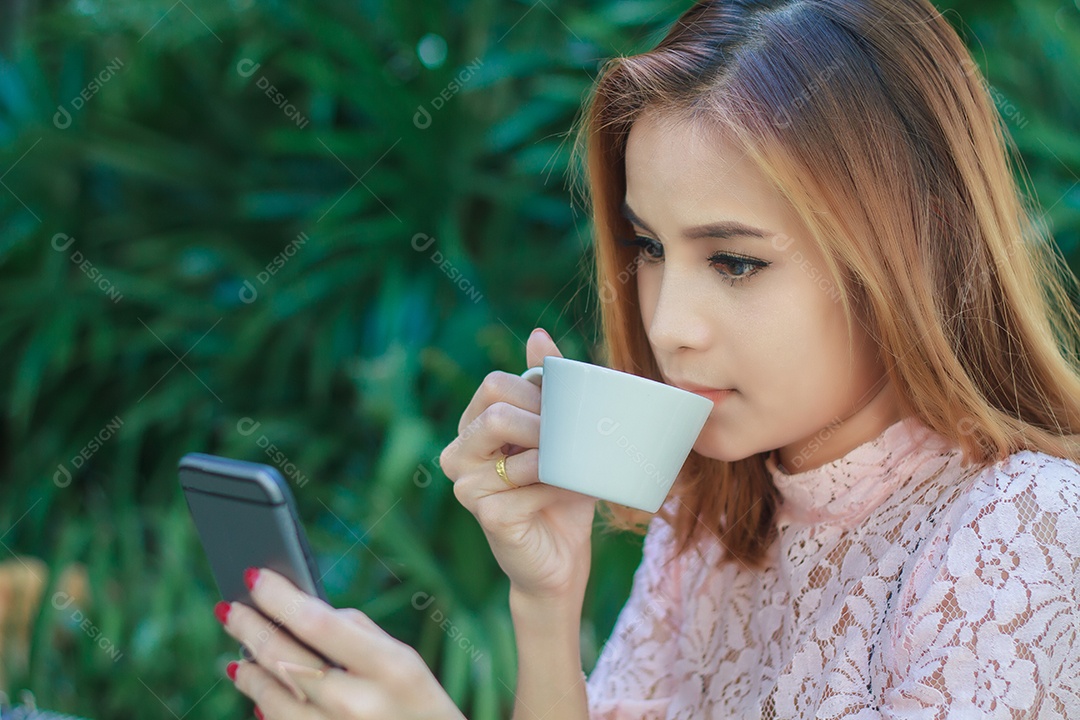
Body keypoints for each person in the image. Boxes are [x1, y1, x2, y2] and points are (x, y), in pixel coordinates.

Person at [214, 0, 1080, 718]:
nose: (668, 326)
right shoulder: (706, 526)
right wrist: (545, 605)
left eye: (735, 260)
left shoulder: (1020, 528)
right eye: (650, 249)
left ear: (913, 243)